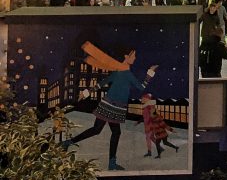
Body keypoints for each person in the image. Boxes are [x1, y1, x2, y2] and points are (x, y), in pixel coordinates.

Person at [64, 42, 157, 171]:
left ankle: (68, 143)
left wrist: (86, 93)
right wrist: (150, 73)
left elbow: (102, 83)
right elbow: (141, 87)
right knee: (113, 132)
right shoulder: (126, 73)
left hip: (109, 104)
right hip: (115, 106)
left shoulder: (119, 71)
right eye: (133, 55)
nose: (135, 58)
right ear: (126, 56)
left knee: (98, 129)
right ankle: (111, 163)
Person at [141, 94, 180, 158]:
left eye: (150, 112)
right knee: (164, 143)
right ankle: (175, 147)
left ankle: (159, 155)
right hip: (159, 134)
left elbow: (165, 125)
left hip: (161, 134)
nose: (150, 112)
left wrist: (172, 130)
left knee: (159, 144)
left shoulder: (157, 119)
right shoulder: (153, 119)